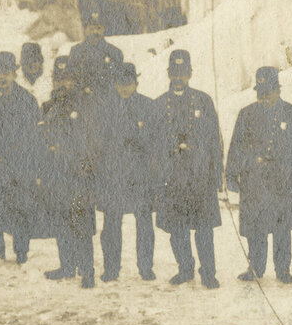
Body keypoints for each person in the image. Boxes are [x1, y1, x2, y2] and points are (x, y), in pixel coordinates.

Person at [226, 66, 292, 284]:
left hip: (283, 184)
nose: (264, 97)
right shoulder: (246, 114)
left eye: (268, 91)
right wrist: (232, 175)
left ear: (277, 90)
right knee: (255, 229)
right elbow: (235, 148)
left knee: (282, 229)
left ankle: (283, 269)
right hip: (254, 183)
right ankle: (255, 267)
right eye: (260, 92)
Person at [154, 45, 224, 288]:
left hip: (200, 177)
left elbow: (215, 140)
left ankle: (208, 272)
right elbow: (153, 145)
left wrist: (217, 176)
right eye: (174, 72)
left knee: (204, 230)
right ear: (168, 73)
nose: (179, 77)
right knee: (178, 230)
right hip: (172, 179)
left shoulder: (203, 101)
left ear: (191, 73)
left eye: (183, 72)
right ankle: (185, 269)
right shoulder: (159, 105)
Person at [0, 49, 44, 265]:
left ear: (15, 74)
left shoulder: (27, 100)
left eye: (7, 72)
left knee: (20, 207)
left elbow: (34, 134)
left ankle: (22, 252)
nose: (2, 77)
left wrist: (21, 156)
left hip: (19, 164)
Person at [95, 61, 161, 282]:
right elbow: (98, 144)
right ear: (114, 83)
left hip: (140, 177)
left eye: (129, 83)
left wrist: (152, 173)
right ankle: (111, 269)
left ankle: (145, 267)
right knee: (111, 223)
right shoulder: (104, 108)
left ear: (136, 83)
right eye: (120, 83)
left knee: (144, 223)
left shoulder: (148, 106)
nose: (124, 88)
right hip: (113, 177)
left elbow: (154, 143)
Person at [36, 53, 98, 288]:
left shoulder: (87, 105)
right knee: (61, 221)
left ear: (76, 79)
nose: (62, 84)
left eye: (67, 79)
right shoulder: (48, 107)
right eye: (58, 79)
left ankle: (87, 270)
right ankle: (66, 265)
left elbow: (92, 141)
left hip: (79, 174)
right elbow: (42, 139)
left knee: (81, 223)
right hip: (57, 174)